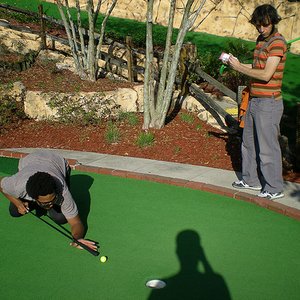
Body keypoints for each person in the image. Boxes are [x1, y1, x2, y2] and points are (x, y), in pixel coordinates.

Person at [228, 4, 287, 200]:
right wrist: (234, 63)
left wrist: (239, 68)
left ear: (273, 22)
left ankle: (274, 187)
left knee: (268, 147)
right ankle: (251, 180)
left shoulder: (277, 43)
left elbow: (266, 74)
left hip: (269, 103)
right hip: (254, 100)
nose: (261, 29)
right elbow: (255, 66)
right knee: (248, 143)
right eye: (258, 25)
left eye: (265, 25)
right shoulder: (261, 41)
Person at [0, 150, 98, 252]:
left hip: (56, 162)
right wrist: (18, 203)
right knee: (14, 211)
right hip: (29, 161)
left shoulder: (62, 190)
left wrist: (78, 238)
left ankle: (41, 203)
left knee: (60, 218)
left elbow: (76, 222)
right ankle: (35, 203)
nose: (51, 204)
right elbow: (1, 184)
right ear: (33, 196)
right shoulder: (17, 185)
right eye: (46, 203)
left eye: (53, 200)